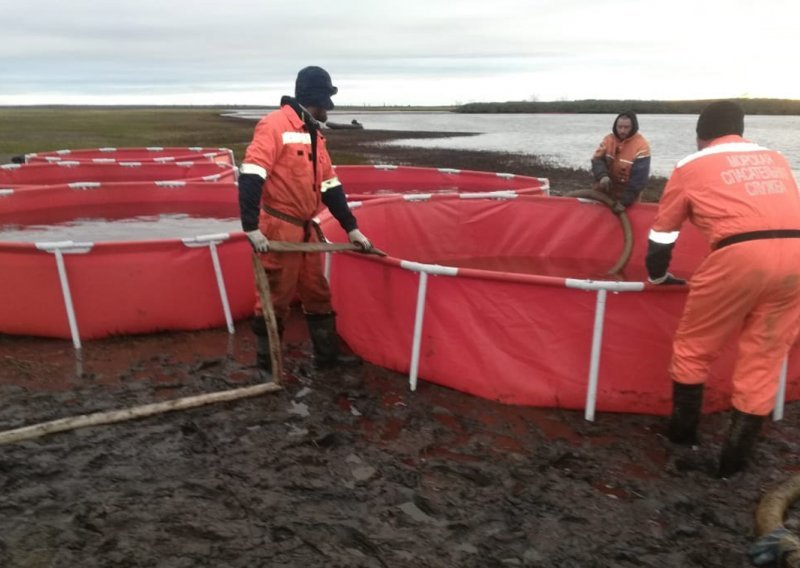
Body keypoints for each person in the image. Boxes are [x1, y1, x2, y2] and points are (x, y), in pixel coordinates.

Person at [646, 100, 800, 477]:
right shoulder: (776, 159)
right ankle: (733, 461)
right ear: (741, 131)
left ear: (701, 135)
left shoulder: (689, 165)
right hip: (796, 257)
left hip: (738, 257)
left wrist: (657, 276)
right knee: (764, 359)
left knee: (694, 348)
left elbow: (663, 232)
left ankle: (682, 438)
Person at [237, 65, 373, 376]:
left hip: (306, 229)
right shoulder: (273, 125)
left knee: (317, 291)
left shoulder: (315, 135)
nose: (330, 108)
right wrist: (251, 228)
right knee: (275, 295)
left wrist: (352, 228)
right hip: (278, 228)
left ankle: (327, 357)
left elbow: (330, 186)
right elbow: (252, 174)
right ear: (318, 99)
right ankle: (267, 366)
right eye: (328, 99)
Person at [591, 111, 651, 208]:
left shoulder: (642, 146)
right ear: (616, 126)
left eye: (626, 127)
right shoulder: (608, 140)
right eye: (619, 127)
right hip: (604, 191)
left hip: (628, 195)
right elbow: (597, 160)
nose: (622, 131)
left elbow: (639, 179)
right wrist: (602, 176)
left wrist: (625, 201)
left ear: (633, 127)